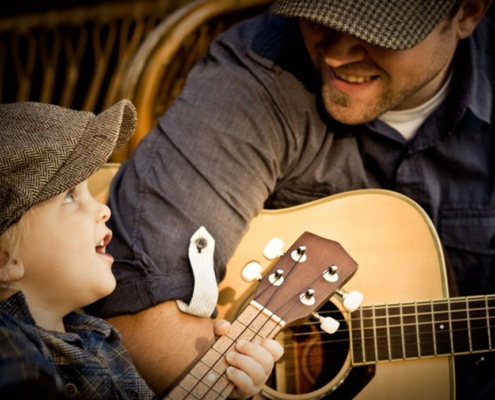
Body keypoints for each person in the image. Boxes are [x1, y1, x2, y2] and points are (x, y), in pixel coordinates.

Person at [90, 0, 495, 397]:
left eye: (377, 33)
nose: (337, 55)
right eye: (318, 17)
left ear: (468, 12)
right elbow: (142, 316)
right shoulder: (255, 75)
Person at [0, 100, 282, 399]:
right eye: (70, 197)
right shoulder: (10, 347)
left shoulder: (103, 342)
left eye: (88, 192)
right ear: (5, 257)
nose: (102, 209)